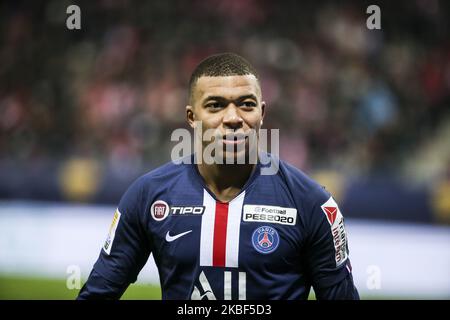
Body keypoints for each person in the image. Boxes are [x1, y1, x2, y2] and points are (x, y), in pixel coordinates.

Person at [77, 53, 359, 300]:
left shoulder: (312, 203)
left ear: (261, 113)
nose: (233, 117)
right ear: (191, 116)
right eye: (215, 105)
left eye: (246, 104)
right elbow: (99, 293)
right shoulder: (148, 196)